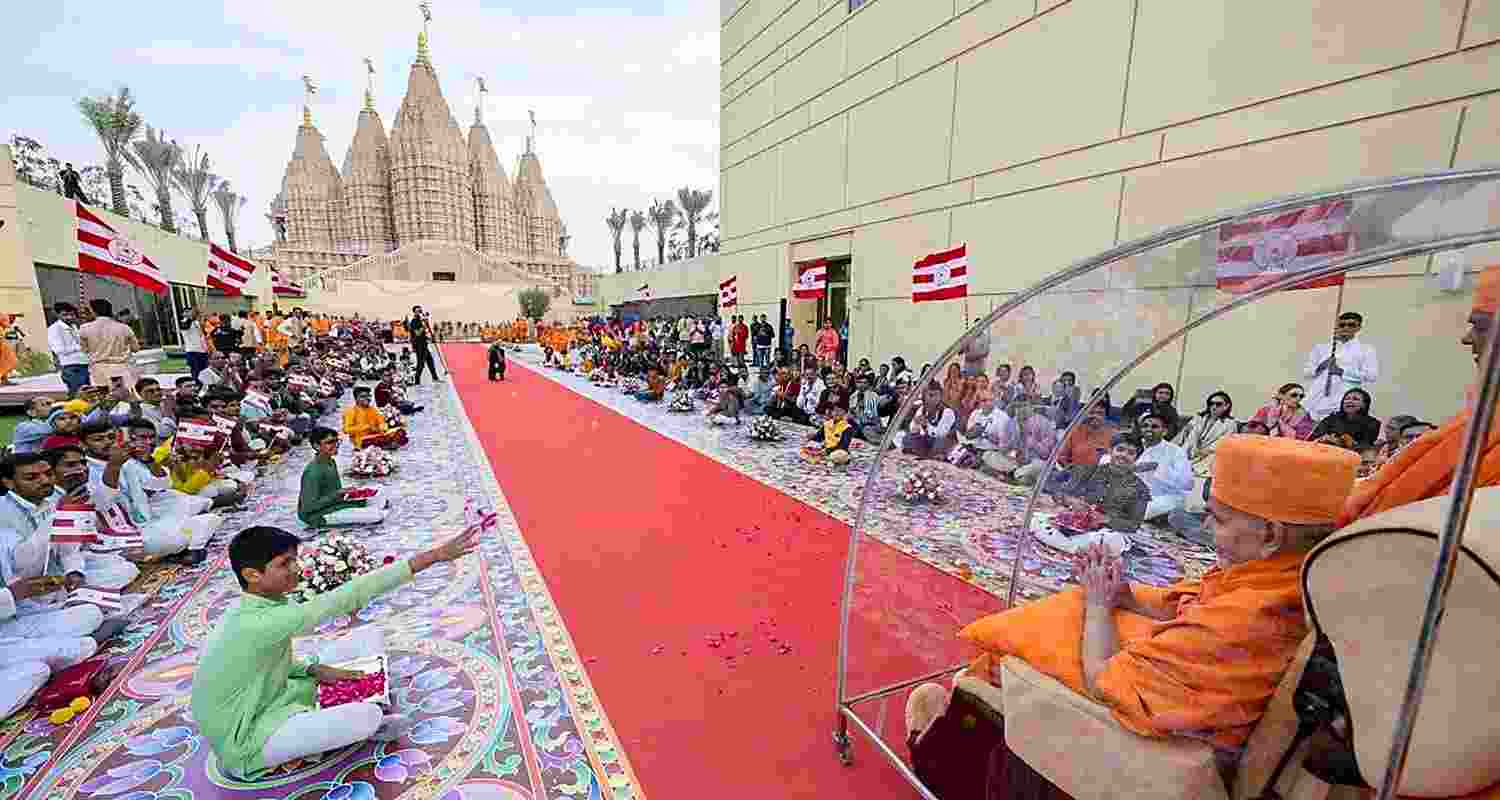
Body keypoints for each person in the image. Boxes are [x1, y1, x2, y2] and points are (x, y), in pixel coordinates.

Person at [907, 437, 1359, 799]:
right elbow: (1186, 603)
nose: (1206, 529)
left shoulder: (1246, 618)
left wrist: (1102, 605)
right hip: (1171, 689)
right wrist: (1123, 594)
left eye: (1219, 521)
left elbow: (1105, 682)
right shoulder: (1288, 578)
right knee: (1068, 609)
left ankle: (951, 749)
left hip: (1134, 728)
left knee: (1009, 653)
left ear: (1270, 535)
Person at [191, 523, 479, 780]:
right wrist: (432, 557)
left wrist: (314, 669)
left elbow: (263, 661)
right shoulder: (258, 620)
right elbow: (343, 598)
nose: (296, 569)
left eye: (294, 559)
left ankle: (336, 711)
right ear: (252, 574)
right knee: (364, 718)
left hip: (276, 693)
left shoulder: (258, 604)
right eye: (284, 563)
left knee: (368, 635)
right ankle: (362, 722)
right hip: (246, 734)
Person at [1048, 433, 1153, 532]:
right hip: (1073, 524)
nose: (1124, 455)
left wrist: (1106, 520)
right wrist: (1071, 501)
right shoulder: (1088, 471)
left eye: (1130, 453)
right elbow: (1058, 493)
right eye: (1120, 450)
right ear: (1110, 450)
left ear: (1136, 458)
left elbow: (1134, 525)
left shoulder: (1140, 489)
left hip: (1108, 533)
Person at [298, 427, 389, 527]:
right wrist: (338, 493)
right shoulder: (313, 471)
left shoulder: (331, 461)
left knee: (379, 489)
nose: (336, 445)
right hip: (317, 515)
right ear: (316, 446)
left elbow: (335, 492)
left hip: (334, 504)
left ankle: (369, 509)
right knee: (376, 516)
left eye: (337, 441)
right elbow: (308, 507)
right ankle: (371, 510)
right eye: (330, 442)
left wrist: (347, 493)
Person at [1016, 399, 1114, 485]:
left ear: (1106, 416)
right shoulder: (1076, 430)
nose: (1095, 416)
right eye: (1092, 412)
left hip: (1091, 481)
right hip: (1068, 474)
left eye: (1100, 413)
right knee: (1034, 469)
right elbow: (1061, 457)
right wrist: (1066, 470)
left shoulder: (1111, 436)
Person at [1302, 311, 1378, 421]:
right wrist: (1321, 367)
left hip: (1342, 400)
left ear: (1359, 328)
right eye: (1342, 325)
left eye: (1351, 325)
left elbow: (1371, 376)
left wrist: (1342, 372)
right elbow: (1307, 373)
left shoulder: (1366, 350)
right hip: (1316, 398)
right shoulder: (1321, 348)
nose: (1346, 328)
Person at [1132, 411, 1193, 521]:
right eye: (1145, 426)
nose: (1149, 429)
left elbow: (1187, 483)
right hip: (1135, 494)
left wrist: (1158, 469)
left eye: (1154, 426)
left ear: (1164, 431)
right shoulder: (1133, 445)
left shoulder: (1175, 451)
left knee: (1142, 510)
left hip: (1164, 496)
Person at [896, 381, 956, 460]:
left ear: (941, 396)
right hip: (926, 441)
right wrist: (916, 425)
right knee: (904, 436)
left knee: (939, 442)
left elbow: (940, 433)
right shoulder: (922, 409)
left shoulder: (948, 412)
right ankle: (924, 453)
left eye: (937, 395)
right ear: (925, 396)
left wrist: (925, 425)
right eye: (930, 395)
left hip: (940, 442)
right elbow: (913, 429)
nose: (934, 398)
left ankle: (931, 454)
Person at [1309, 387, 1381, 450]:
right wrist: (1323, 439)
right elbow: (1312, 439)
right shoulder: (1331, 419)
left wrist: (1342, 442)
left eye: (1355, 399)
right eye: (1346, 399)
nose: (1349, 401)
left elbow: (1367, 447)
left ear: (1364, 404)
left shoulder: (1373, 423)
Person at [47, 302, 91, 396]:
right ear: (57, 315)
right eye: (65, 315)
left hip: (84, 364)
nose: (69, 317)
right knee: (78, 394)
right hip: (71, 367)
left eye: (71, 314)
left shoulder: (74, 326)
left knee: (88, 395)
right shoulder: (54, 329)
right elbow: (58, 349)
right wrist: (79, 347)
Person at [342, 388, 406, 450]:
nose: (367, 399)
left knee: (400, 431)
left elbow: (381, 421)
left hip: (377, 435)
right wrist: (366, 427)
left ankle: (388, 443)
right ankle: (388, 444)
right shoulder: (350, 411)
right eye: (363, 396)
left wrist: (383, 427)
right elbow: (346, 430)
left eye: (368, 396)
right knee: (380, 440)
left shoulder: (372, 410)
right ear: (356, 399)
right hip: (361, 439)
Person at [1250, 382, 1315, 440]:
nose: (1298, 398)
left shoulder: (1303, 415)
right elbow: (1252, 429)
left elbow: (1303, 438)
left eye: (1301, 396)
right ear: (1281, 395)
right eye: (1294, 395)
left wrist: (1280, 422)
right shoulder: (1267, 410)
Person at [801, 398, 855, 466]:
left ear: (845, 413)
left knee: (839, 455)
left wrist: (827, 451)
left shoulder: (847, 428)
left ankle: (824, 459)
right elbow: (819, 437)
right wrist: (811, 436)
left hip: (837, 451)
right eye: (835, 410)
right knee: (808, 446)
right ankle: (824, 459)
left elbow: (843, 446)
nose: (836, 413)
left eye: (840, 411)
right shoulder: (827, 423)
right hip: (824, 449)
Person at [407, 306, 441, 384]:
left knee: (430, 361)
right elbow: (417, 333)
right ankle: (417, 380)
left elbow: (422, 334)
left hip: (424, 344)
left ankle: (435, 378)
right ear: (414, 312)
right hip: (419, 345)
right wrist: (424, 325)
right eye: (418, 311)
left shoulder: (420, 320)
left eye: (420, 311)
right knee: (421, 364)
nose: (420, 312)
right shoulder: (414, 321)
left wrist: (428, 338)